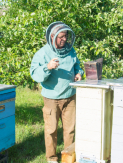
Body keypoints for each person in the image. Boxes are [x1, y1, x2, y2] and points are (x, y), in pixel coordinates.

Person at [30, 21, 84, 163]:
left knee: (70, 130)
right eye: (61, 37)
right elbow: (35, 74)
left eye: (65, 36)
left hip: (70, 96)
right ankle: (52, 159)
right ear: (52, 36)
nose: (64, 39)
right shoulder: (42, 53)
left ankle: (68, 157)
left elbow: (77, 66)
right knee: (51, 130)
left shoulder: (70, 50)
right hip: (51, 98)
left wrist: (79, 74)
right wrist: (48, 67)